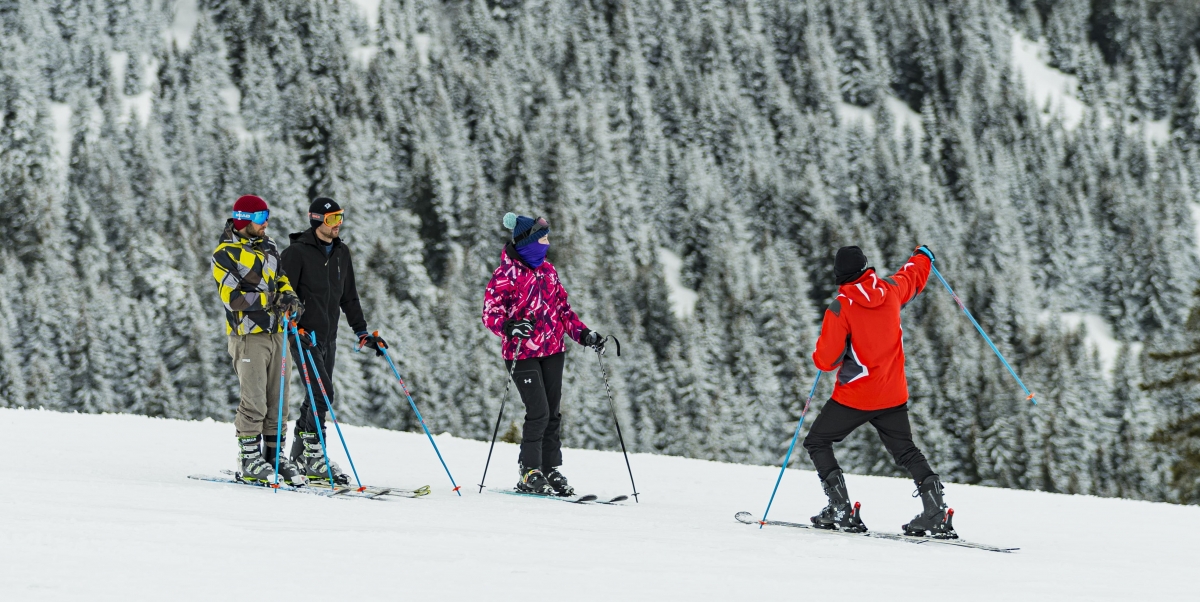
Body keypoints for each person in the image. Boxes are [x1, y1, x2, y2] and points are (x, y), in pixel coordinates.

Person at [805, 244, 957, 538]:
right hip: (892, 394)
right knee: (907, 451)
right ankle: (935, 513)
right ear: (865, 266)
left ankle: (840, 509)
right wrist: (922, 256)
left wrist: (823, 353)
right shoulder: (890, 289)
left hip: (855, 397)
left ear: (838, 274)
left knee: (817, 442)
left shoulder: (840, 306)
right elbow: (912, 276)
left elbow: (826, 361)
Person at [482, 213, 605, 496]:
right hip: (521, 354)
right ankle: (530, 471)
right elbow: (490, 314)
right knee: (538, 412)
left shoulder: (548, 271)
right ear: (528, 242)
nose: (547, 244)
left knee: (552, 414)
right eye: (543, 238)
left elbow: (563, 310)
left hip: (553, 350)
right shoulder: (505, 274)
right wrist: (509, 327)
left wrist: (583, 334)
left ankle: (551, 469)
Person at [280, 197, 385, 484]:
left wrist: (361, 331)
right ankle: (314, 455)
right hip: (302, 336)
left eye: (340, 217)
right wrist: (293, 326)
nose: (337, 224)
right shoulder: (296, 253)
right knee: (322, 392)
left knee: (315, 395)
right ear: (316, 221)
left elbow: (348, 297)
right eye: (331, 219)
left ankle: (302, 454)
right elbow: (283, 296)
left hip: (329, 337)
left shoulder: (342, 253)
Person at [210, 194, 305, 485]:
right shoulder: (225, 254)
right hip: (248, 334)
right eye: (261, 219)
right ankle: (250, 459)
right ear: (244, 220)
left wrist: (288, 295)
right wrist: (271, 298)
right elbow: (233, 299)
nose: (266, 224)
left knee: (279, 400)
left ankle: (275, 457)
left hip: (277, 331)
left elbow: (281, 278)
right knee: (254, 400)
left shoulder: (269, 246)